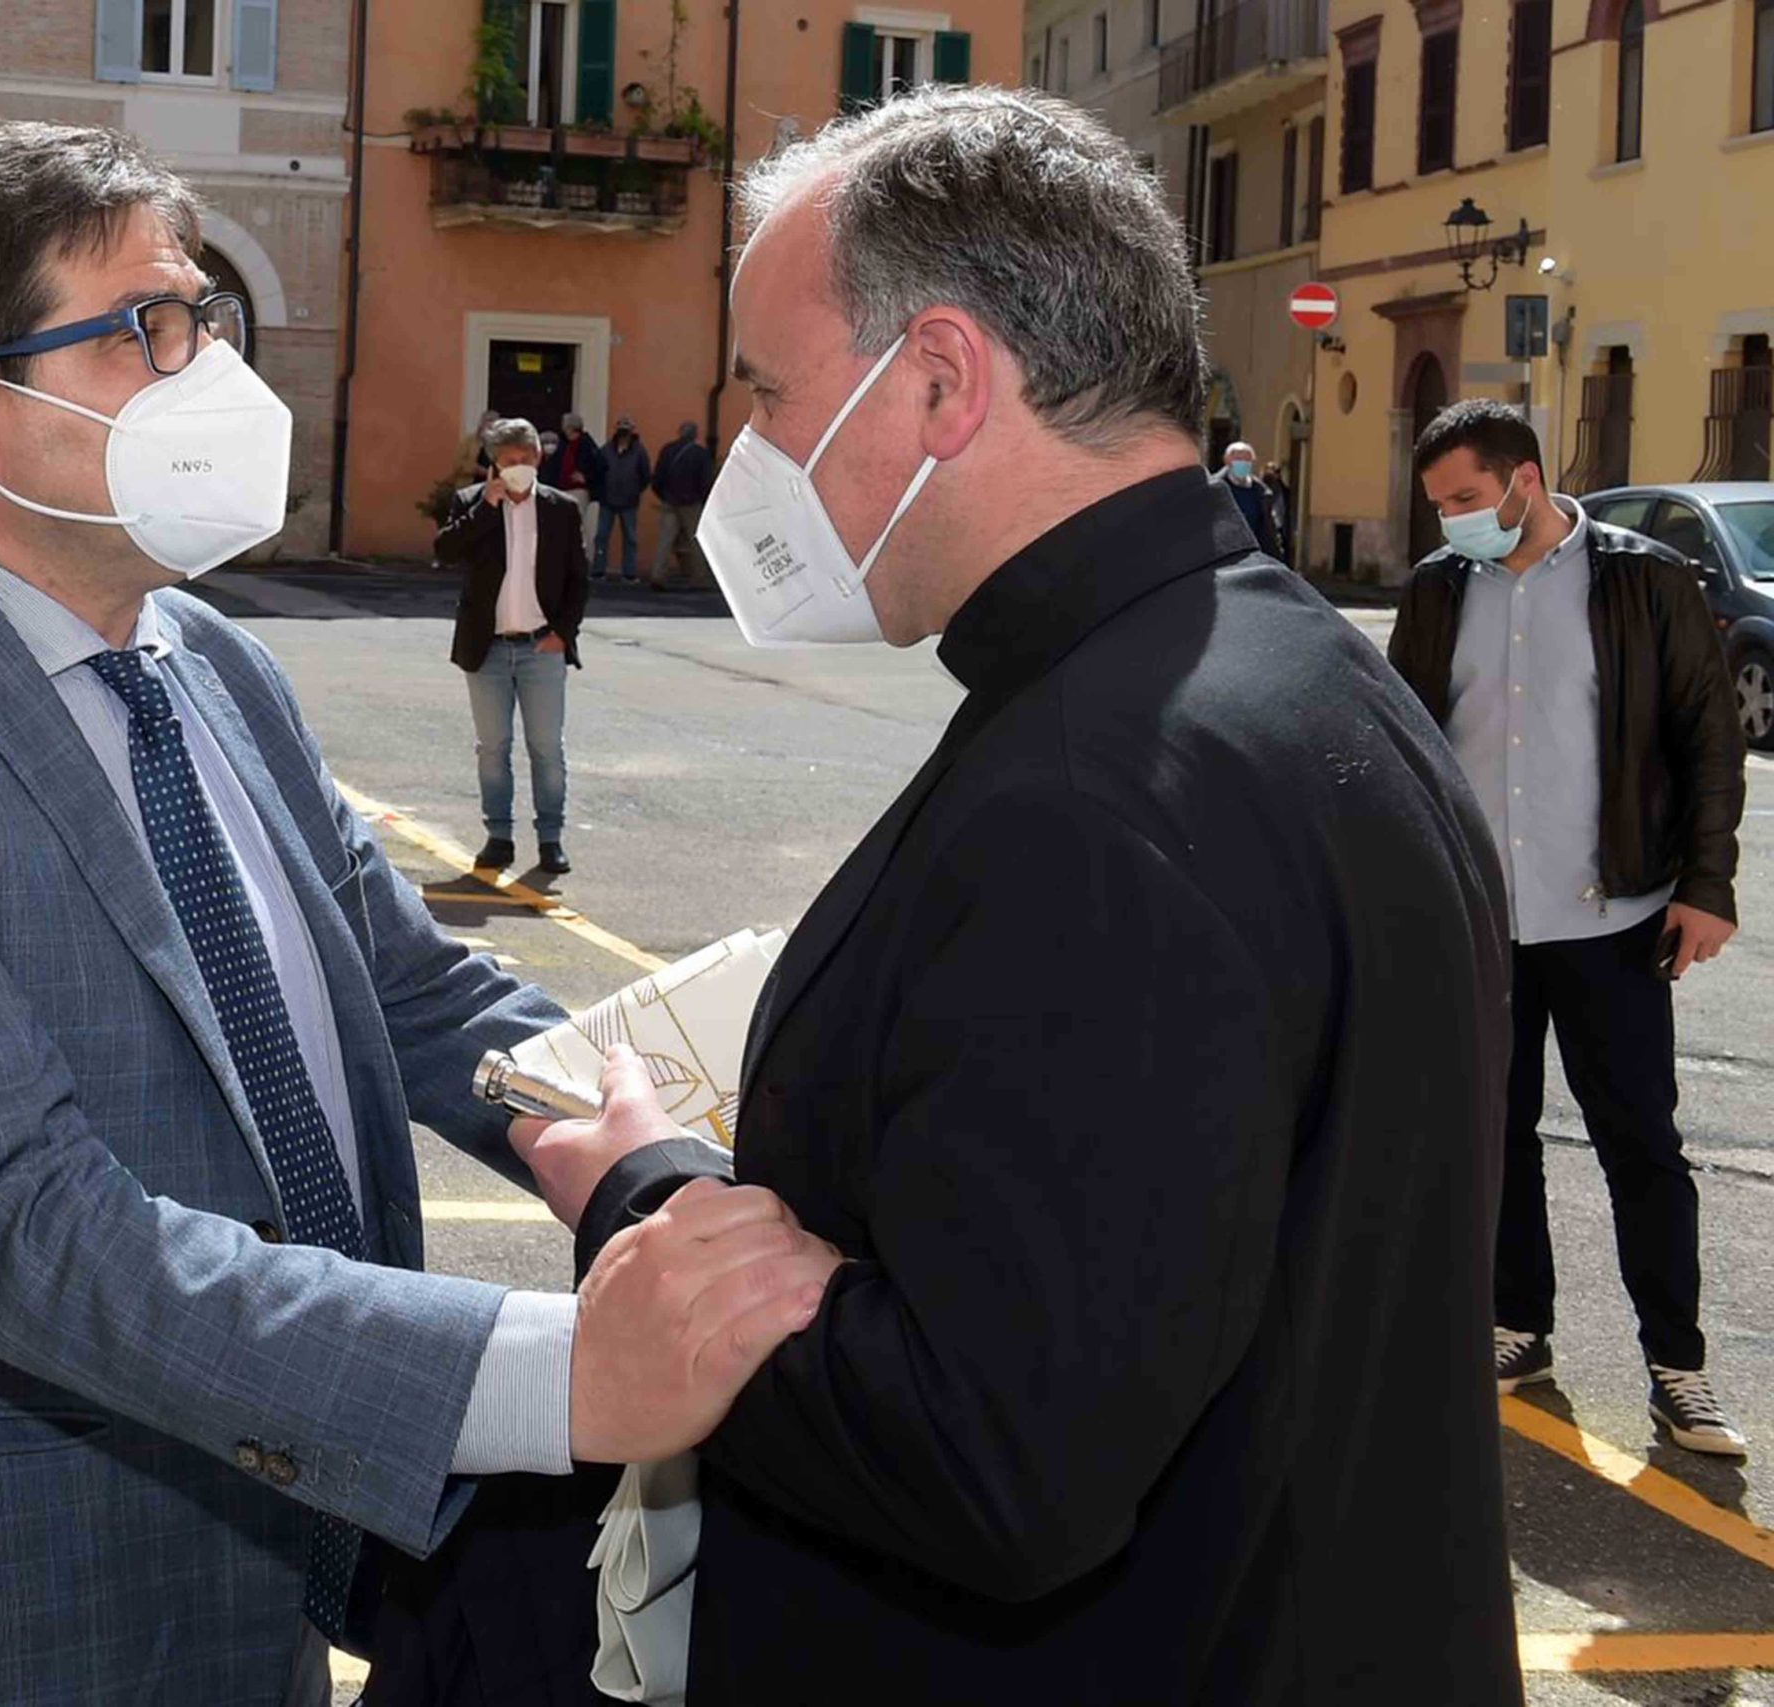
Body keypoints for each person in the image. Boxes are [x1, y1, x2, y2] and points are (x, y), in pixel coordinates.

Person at [0, 124, 834, 1707]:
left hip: (262, 1563)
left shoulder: (214, 660)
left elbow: (417, 994)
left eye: (207, 315)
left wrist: (680, 1145)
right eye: (148, 328)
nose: (210, 366)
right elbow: (29, 1225)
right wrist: (565, 1373)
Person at [500, 86, 1523, 1704]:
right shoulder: (1299, 665)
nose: (750, 458)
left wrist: (650, 1203)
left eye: (772, 394)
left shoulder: (1095, 795)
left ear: (941, 378)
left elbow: (989, 1455)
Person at [1390, 398, 1748, 1455]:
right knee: (1495, 1137)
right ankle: (1519, 1327)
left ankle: (1677, 1367)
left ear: (1526, 480)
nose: (1451, 520)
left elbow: (1708, 739)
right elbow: (1400, 738)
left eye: (1465, 498)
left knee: (1640, 1144)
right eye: (1439, 506)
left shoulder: (1644, 579)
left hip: (1613, 917)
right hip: (1479, 918)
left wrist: (1707, 884)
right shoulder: (1437, 588)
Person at [437, 418, 587, 877]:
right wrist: (487, 506)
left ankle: (550, 839)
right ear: (494, 465)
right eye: (508, 461)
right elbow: (445, 551)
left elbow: (578, 580)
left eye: (525, 459)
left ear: (537, 458)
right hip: (488, 650)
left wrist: (563, 633)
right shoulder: (471, 502)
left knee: (547, 748)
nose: (518, 466)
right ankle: (498, 837)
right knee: (492, 747)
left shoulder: (561, 509)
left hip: (542, 647)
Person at [648, 419, 713, 588]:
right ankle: (699, 578)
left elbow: (657, 477)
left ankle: (658, 575)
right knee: (696, 542)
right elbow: (706, 481)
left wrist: (663, 495)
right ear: (695, 435)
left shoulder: (668, 450)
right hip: (692, 503)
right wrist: (702, 499)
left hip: (670, 500)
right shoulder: (700, 454)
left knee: (665, 541)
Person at [590, 415, 650, 585]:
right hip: (607, 499)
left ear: (631, 432)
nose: (624, 434)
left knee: (630, 538)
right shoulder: (606, 450)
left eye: (626, 431)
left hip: (629, 501)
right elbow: (597, 472)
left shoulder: (639, 451)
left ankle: (629, 573)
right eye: (621, 430)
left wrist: (635, 491)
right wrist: (601, 492)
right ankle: (598, 570)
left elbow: (645, 475)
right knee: (601, 536)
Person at [1217, 439, 1286, 559]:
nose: (1243, 464)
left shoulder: (1262, 492)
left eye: (1247, 460)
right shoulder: (1214, 489)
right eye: (1238, 459)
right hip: (1224, 555)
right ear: (1227, 461)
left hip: (1254, 555)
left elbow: (1269, 530)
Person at [550, 410, 601, 555]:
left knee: (577, 523)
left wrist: (586, 477)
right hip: (562, 488)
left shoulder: (586, 444)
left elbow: (599, 465)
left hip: (578, 490)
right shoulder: (563, 444)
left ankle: (584, 556)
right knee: (563, 525)